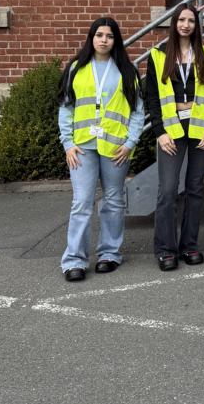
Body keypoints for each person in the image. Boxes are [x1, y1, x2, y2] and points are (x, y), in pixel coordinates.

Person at [58, 17, 144, 281]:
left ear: (115, 40)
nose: (104, 40)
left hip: (116, 148)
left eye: (109, 36)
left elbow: (137, 112)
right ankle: (75, 260)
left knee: (114, 201)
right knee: (82, 202)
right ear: (91, 38)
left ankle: (109, 254)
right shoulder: (76, 68)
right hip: (82, 147)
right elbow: (66, 108)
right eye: (99, 35)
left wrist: (130, 143)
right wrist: (68, 143)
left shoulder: (127, 71)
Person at [146, 2, 204, 271]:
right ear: (174, 23)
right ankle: (165, 249)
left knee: (195, 189)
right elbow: (152, 97)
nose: (186, 25)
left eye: (190, 20)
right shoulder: (158, 56)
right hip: (171, 131)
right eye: (181, 20)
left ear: (196, 25)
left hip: (200, 130)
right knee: (168, 190)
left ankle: (189, 245)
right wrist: (160, 132)